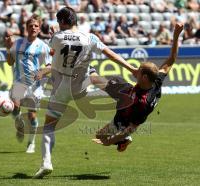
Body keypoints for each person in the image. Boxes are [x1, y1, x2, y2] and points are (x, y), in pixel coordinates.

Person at [33, 7, 138, 179]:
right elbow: (110, 54)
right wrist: (131, 67)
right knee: (99, 85)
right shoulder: (90, 38)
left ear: (61, 21)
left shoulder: (57, 38)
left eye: (59, 22)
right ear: (75, 20)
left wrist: (53, 35)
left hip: (61, 88)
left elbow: (53, 50)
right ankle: (121, 119)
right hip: (80, 86)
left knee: (49, 126)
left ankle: (46, 163)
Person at [92, 23, 184, 152]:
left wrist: (109, 141)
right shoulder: (156, 80)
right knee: (106, 82)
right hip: (131, 93)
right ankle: (89, 70)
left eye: (138, 71)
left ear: (145, 77)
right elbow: (171, 60)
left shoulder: (142, 103)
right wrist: (176, 36)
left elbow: (132, 127)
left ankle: (124, 140)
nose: (135, 71)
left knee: (100, 136)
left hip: (124, 119)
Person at [4, 15, 52, 153]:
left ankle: (31, 142)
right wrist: (8, 49)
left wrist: (42, 72)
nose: (33, 28)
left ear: (39, 28)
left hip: (35, 85)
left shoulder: (43, 46)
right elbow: (10, 62)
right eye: (31, 26)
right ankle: (19, 122)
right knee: (15, 108)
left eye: (36, 26)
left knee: (32, 116)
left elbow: (50, 66)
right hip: (19, 82)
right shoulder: (18, 43)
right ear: (26, 28)